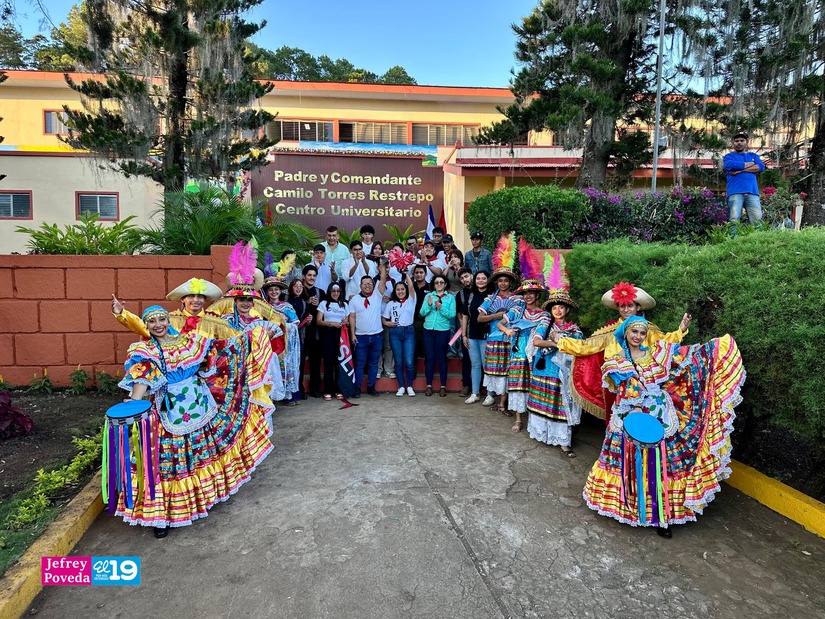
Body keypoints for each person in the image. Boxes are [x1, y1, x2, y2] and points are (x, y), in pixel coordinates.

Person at [113, 305, 274, 537]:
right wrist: (134, 403)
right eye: (152, 321)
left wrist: (255, 337)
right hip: (169, 413)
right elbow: (142, 380)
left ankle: (205, 496)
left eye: (162, 319)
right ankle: (163, 517)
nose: (158, 324)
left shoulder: (190, 342)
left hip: (200, 404)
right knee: (167, 462)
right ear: (146, 326)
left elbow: (222, 350)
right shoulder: (146, 351)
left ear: (169, 321)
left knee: (201, 454)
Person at [583, 315, 745, 538]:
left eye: (642, 333)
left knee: (661, 464)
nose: (638, 337)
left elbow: (680, 356)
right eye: (634, 332)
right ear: (625, 334)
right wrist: (637, 410)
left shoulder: (656, 355)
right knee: (631, 463)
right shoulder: (616, 361)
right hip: (632, 417)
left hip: (659, 416)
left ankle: (662, 515)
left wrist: (686, 332)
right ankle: (632, 508)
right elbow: (628, 388)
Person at [554, 282, 689, 425]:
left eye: (629, 305)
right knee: (617, 421)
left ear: (638, 307)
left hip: (643, 382)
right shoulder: (609, 330)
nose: (625, 309)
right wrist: (561, 341)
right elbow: (586, 346)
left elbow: (665, 343)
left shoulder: (648, 329)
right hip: (617, 382)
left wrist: (680, 330)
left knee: (642, 421)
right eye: (622, 306)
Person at [527, 293, 583, 457]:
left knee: (561, 403)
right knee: (543, 400)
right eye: (554, 308)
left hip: (563, 372)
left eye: (561, 307)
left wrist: (562, 341)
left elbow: (578, 348)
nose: (558, 310)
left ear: (567, 310)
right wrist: (555, 342)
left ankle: (563, 441)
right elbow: (536, 342)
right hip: (544, 368)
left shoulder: (575, 330)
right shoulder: (545, 324)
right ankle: (541, 433)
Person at [497, 279, 548, 433]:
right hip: (518, 353)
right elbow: (500, 323)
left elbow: (542, 332)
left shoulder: (544, 314)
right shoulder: (517, 311)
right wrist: (507, 331)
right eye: (525, 293)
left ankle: (533, 419)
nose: (528, 296)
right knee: (518, 385)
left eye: (531, 293)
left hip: (535, 354)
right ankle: (518, 419)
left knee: (535, 385)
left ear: (537, 295)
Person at [477, 266, 523, 412]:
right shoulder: (491, 299)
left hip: (510, 339)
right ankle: (499, 400)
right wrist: (497, 316)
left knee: (508, 370)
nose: (503, 283)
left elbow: (520, 317)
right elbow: (480, 318)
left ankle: (503, 403)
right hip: (494, 338)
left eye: (506, 281)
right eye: (500, 281)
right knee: (496, 370)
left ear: (510, 282)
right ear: (497, 282)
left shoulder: (517, 299)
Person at [348, 264, 389, 397]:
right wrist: (352, 334)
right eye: (364, 284)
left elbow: (382, 280)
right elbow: (352, 318)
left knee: (373, 364)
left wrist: (382, 267)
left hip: (377, 336)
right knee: (359, 364)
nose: (367, 286)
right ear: (360, 286)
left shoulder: (377, 295)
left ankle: (371, 387)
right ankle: (357, 388)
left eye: (370, 283)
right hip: (361, 337)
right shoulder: (354, 300)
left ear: (373, 284)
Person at [420, 274, 456, 397]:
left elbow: (452, 315)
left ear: (445, 284)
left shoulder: (450, 297)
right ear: (434, 284)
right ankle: (429, 386)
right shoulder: (428, 296)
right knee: (429, 358)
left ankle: (443, 386)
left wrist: (440, 308)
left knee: (442, 358)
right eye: (437, 282)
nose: (439, 284)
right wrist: (430, 306)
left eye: (441, 282)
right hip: (428, 329)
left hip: (443, 330)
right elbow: (422, 312)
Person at [382, 272, 417, 397]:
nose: (400, 291)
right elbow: (384, 319)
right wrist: (387, 323)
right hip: (395, 333)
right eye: (398, 289)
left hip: (408, 332)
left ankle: (410, 386)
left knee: (408, 361)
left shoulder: (411, 301)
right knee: (398, 361)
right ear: (395, 291)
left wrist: (406, 273)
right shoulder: (391, 304)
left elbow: (412, 287)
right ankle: (401, 386)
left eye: (402, 289)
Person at [316, 282, 353, 401]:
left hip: (341, 335)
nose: (336, 293)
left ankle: (339, 389)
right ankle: (328, 390)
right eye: (333, 291)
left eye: (338, 291)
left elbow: (348, 320)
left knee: (339, 362)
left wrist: (344, 322)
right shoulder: (323, 303)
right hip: (328, 334)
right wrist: (331, 323)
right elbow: (318, 321)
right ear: (329, 291)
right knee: (328, 362)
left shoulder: (344, 304)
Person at [460, 270, 491, 404]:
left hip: (487, 335)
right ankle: (475, 393)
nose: (481, 281)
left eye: (483, 278)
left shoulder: (492, 295)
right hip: (472, 334)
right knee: (475, 365)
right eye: (478, 278)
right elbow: (465, 315)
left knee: (487, 365)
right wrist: (464, 335)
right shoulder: (471, 295)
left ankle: (490, 394)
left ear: (488, 280)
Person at [723, 132, 765, 230]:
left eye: (742, 141)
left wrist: (740, 170)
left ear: (746, 142)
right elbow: (729, 165)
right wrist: (751, 164)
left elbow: (761, 167)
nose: (739, 143)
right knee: (734, 220)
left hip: (752, 192)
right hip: (735, 192)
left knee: (757, 221)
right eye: (736, 141)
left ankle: (758, 243)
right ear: (733, 143)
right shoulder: (729, 156)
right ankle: (732, 243)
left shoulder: (753, 155)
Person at [302, 265, 325, 398]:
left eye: (314, 275)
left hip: (316, 332)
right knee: (300, 362)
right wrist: (307, 301)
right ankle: (299, 389)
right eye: (309, 275)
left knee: (316, 362)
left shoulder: (320, 292)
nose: (311, 278)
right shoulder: (298, 289)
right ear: (304, 276)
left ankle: (314, 389)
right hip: (302, 332)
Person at [453, 267, 474, 395]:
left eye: (466, 276)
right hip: (466, 330)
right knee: (466, 358)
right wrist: (462, 324)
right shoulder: (459, 294)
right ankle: (466, 385)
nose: (464, 280)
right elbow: (459, 313)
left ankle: (481, 386)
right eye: (461, 278)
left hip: (482, 330)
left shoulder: (480, 290)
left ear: (471, 275)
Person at [410, 264, 430, 359]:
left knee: (427, 346)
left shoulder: (430, 287)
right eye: (416, 273)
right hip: (412, 320)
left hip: (427, 321)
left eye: (421, 272)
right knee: (414, 346)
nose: (419, 274)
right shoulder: (410, 287)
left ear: (425, 274)